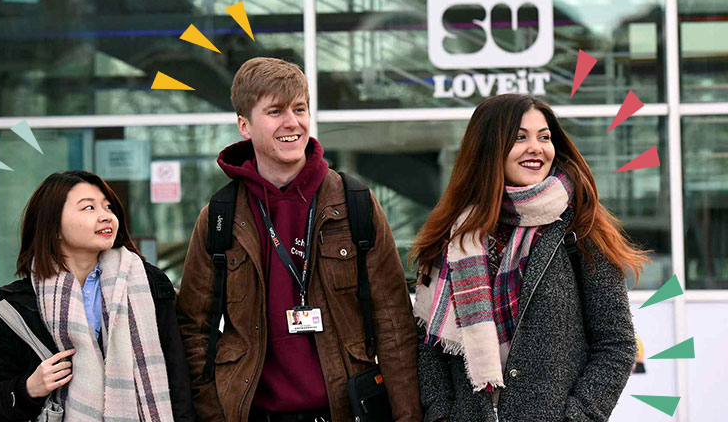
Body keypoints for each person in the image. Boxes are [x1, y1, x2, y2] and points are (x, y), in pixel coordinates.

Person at [176, 57, 422, 422]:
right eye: (275, 111)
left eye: (300, 109)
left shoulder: (354, 203)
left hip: (345, 412)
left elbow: (393, 322)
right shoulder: (220, 217)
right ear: (244, 125)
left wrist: (407, 416)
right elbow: (193, 331)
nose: (292, 122)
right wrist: (215, 414)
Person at [411, 94, 649, 421]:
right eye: (520, 137)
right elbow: (429, 346)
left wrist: (577, 417)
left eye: (544, 137)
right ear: (488, 148)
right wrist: (441, 415)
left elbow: (616, 344)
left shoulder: (581, 227)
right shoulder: (454, 237)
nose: (536, 148)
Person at [0, 170, 195, 422]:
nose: (106, 216)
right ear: (53, 227)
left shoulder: (149, 285)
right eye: (89, 208)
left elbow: (179, 380)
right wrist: (30, 388)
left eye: (108, 207)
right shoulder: (19, 305)